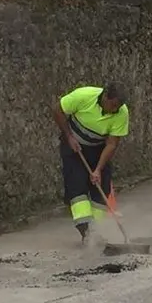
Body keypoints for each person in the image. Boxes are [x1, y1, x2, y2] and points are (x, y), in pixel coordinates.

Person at [52, 84, 129, 243]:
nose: (115, 109)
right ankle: (86, 233)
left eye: (118, 107)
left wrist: (98, 169)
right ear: (105, 97)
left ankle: (97, 230)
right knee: (77, 186)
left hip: (98, 149)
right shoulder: (84, 96)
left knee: (102, 187)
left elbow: (112, 144)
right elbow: (57, 109)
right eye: (113, 105)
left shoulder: (122, 113)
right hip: (74, 148)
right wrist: (69, 136)